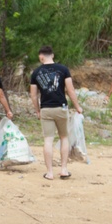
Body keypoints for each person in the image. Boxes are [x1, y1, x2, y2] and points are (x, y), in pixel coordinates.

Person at [29, 45, 83, 180]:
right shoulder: (63, 69)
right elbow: (70, 90)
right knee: (64, 137)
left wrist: (37, 110)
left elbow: (34, 96)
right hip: (61, 107)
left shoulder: (36, 73)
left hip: (46, 108)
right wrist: (77, 106)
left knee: (48, 139)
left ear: (41, 57)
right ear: (52, 55)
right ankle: (64, 169)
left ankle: (50, 172)